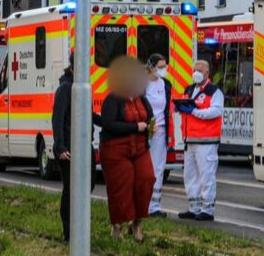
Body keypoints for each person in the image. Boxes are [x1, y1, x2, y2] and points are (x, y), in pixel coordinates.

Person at [99, 57, 157, 242]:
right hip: (116, 149)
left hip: (140, 148)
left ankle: (137, 222)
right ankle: (118, 226)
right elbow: (108, 124)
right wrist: (135, 127)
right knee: (121, 186)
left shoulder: (141, 98)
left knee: (146, 179)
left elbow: (149, 117)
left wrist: (150, 126)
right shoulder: (113, 99)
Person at [51, 62, 95, 244]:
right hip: (69, 149)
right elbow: (58, 118)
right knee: (71, 189)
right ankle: (69, 232)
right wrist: (60, 147)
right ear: (73, 68)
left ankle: (80, 228)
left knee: (88, 185)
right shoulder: (65, 89)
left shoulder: (83, 89)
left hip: (85, 146)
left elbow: (89, 115)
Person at [176, 60, 224, 221]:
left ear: (207, 73)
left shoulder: (214, 91)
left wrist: (194, 111)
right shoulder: (189, 90)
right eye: (194, 70)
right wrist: (179, 108)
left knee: (206, 176)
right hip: (190, 141)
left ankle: (207, 209)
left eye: (199, 71)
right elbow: (186, 110)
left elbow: (215, 111)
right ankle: (194, 207)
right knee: (190, 176)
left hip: (207, 142)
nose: (195, 73)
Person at [144, 54, 174, 218]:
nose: (163, 69)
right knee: (144, 168)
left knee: (158, 168)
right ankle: (143, 204)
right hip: (145, 130)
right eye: (160, 66)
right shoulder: (142, 84)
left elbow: (167, 108)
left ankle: (154, 206)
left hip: (160, 130)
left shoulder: (166, 85)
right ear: (151, 67)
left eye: (165, 66)